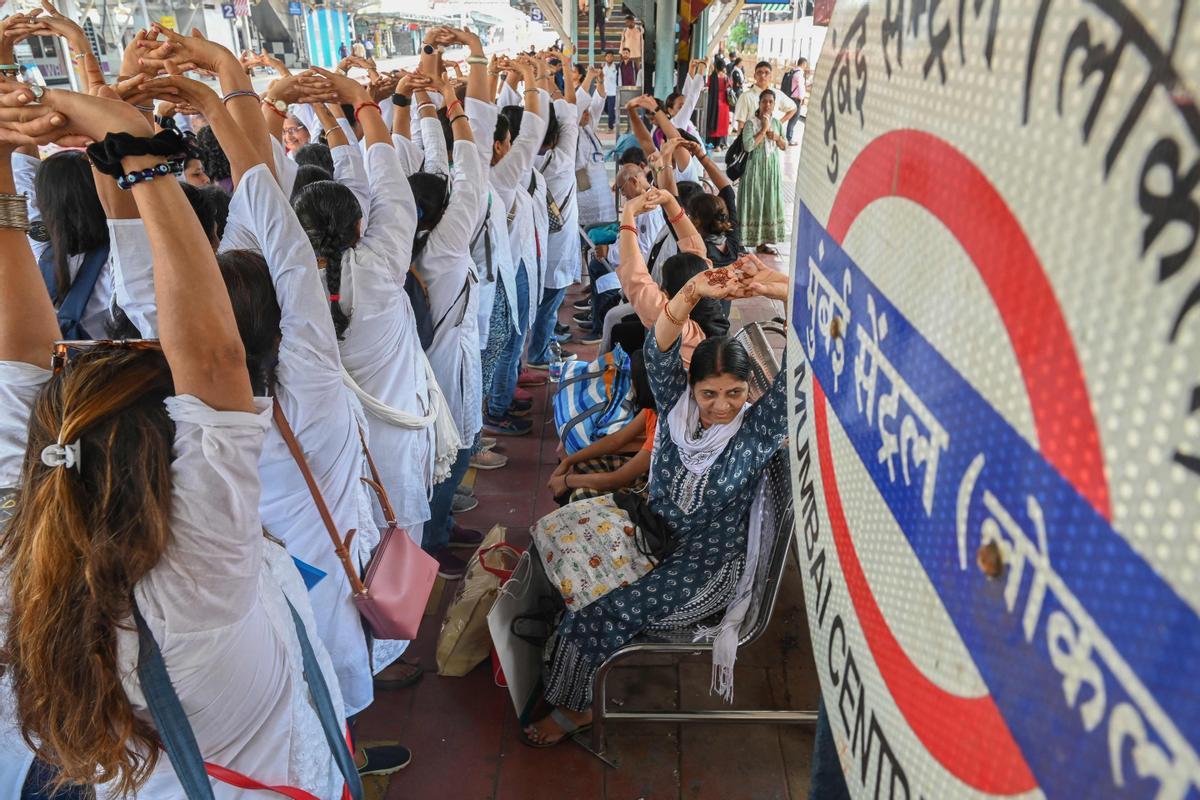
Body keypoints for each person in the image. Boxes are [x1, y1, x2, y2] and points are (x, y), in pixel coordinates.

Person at [0, 81, 361, 799]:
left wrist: (129, 157)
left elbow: (19, 364)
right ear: (167, 457)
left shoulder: (25, 545)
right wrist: (135, 144)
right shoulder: (197, 579)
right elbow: (215, 363)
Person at [521, 264, 791, 746]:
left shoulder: (757, 430)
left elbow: (808, 359)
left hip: (704, 570)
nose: (722, 405)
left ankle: (573, 708)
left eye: (734, 393)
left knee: (594, 615)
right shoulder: (675, 406)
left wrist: (783, 290)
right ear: (692, 388)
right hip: (653, 531)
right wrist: (691, 291)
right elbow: (659, 346)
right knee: (552, 534)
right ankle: (558, 660)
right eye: (709, 393)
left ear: (749, 392)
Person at [526, 54, 580, 370]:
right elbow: (568, 108)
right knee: (549, 304)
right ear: (558, 136)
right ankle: (538, 354)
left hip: (533, 246)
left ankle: (543, 343)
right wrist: (554, 73)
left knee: (543, 302)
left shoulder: (521, 162)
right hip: (558, 248)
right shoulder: (562, 161)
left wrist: (537, 76)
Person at [738, 90, 787, 254]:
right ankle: (742, 242)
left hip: (771, 171)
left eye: (770, 102)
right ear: (759, 103)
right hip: (754, 171)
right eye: (764, 101)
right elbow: (748, 146)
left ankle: (762, 243)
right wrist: (764, 130)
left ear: (774, 105)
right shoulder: (750, 123)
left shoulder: (777, 123)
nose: (767, 105)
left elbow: (784, 146)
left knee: (767, 202)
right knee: (753, 202)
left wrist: (778, 138)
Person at [733, 60, 796, 133]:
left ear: (771, 76)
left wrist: (778, 124)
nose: (763, 75)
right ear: (755, 76)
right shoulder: (745, 97)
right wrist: (740, 143)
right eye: (759, 72)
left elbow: (793, 108)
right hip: (753, 140)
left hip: (771, 140)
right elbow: (741, 124)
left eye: (766, 73)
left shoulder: (777, 94)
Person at [706, 56, 732, 149]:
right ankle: (721, 143)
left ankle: (715, 144)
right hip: (725, 104)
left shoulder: (712, 77)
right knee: (722, 124)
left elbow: (707, 85)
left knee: (715, 122)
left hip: (715, 104)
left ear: (715, 66)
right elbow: (730, 87)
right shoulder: (726, 78)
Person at [785, 57, 809, 145]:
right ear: (803, 64)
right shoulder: (799, 74)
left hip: (790, 97)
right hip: (796, 100)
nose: (806, 67)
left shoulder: (793, 71)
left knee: (791, 118)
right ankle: (789, 138)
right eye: (806, 65)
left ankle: (787, 137)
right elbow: (801, 87)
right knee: (794, 119)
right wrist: (802, 98)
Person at [602, 50, 618, 129]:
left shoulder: (616, 67)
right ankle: (613, 117)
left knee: (611, 109)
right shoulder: (603, 67)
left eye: (611, 56)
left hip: (613, 92)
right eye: (608, 56)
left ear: (613, 58)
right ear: (605, 58)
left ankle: (610, 127)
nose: (609, 58)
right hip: (605, 91)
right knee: (605, 108)